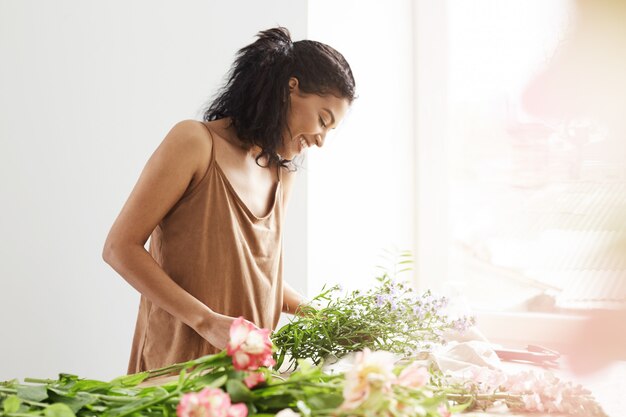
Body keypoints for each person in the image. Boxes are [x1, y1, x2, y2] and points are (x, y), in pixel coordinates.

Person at [102, 27, 355, 375]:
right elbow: (119, 248)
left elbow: (258, 278)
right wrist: (206, 322)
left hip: (246, 376)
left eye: (331, 130)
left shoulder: (283, 174)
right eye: (323, 120)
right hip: (176, 369)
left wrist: (326, 318)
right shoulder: (194, 142)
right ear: (290, 88)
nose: (321, 140)